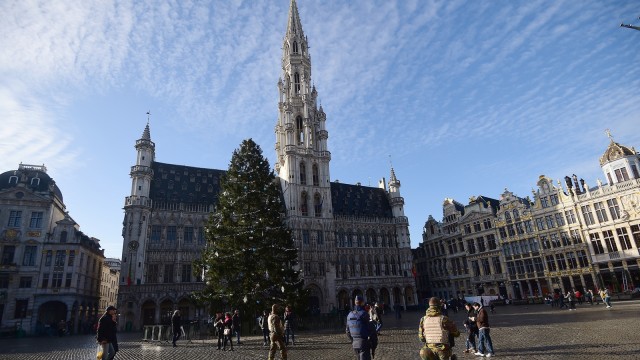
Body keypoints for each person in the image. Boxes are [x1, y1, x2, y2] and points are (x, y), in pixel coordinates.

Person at [346, 295, 377, 360]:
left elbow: (347, 331)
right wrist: (374, 345)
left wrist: (353, 340)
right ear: (362, 303)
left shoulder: (349, 315)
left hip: (355, 344)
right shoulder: (364, 314)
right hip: (364, 343)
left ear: (355, 302)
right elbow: (373, 331)